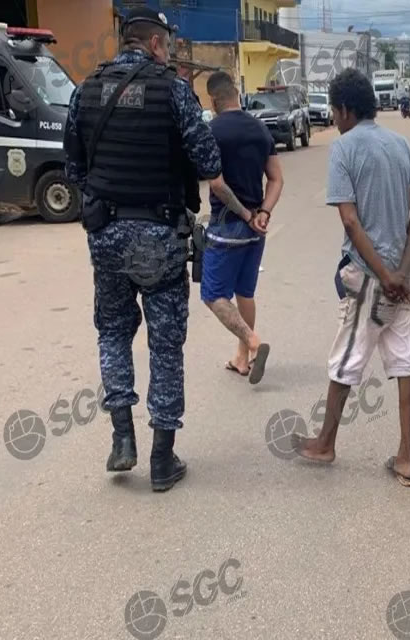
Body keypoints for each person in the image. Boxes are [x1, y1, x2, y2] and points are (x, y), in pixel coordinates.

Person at [64, 7, 255, 492]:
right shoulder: (171, 90)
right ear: (153, 44)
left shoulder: (85, 89)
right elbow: (209, 160)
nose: (168, 51)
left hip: (106, 236)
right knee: (165, 346)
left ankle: (122, 438)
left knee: (112, 334)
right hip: (160, 237)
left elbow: (74, 168)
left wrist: (105, 205)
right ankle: (162, 460)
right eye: (166, 44)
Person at [292, 69, 410, 487]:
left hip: (368, 278)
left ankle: (325, 443)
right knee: (403, 362)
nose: (334, 119)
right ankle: (405, 457)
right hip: (399, 280)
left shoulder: (344, 148)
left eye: (334, 112)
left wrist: (384, 275)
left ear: (346, 110)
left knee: (345, 361)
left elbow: (351, 220)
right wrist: (402, 273)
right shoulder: (401, 144)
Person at [202, 71, 283, 383]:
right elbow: (276, 178)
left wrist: (246, 215)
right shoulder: (260, 129)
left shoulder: (212, 131)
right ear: (237, 96)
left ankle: (252, 343)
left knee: (212, 294)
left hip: (227, 225)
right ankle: (242, 358)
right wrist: (263, 212)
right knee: (244, 291)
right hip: (256, 231)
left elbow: (218, 185)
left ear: (214, 100)